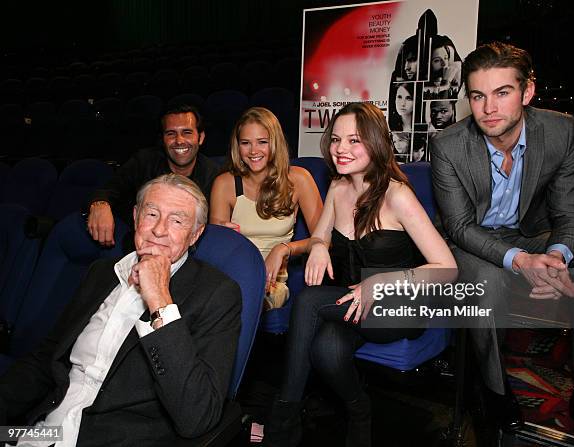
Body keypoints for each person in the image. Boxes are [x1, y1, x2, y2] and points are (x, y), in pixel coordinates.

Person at [430, 42, 574, 442]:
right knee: (488, 283)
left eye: (502, 93)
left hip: (532, 233)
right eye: (478, 96)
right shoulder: (448, 145)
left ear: (527, 92)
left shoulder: (561, 130)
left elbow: (570, 213)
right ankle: (494, 393)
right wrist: (519, 262)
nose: (488, 108)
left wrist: (555, 256)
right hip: (473, 240)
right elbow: (459, 226)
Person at [264, 103, 457, 447]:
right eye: (336, 139)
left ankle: (282, 421)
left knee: (308, 300)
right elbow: (319, 236)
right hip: (353, 306)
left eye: (354, 140)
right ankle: (359, 409)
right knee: (326, 351)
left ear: (376, 142)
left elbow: (447, 268)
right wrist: (320, 245)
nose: (341, 149)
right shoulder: (338, 189)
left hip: (397, 308)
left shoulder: (398, 195)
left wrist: (378, 282)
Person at [0, 174, 242, 446]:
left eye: (177, 220)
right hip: (43, 431)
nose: (159, 230)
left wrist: (160, 301)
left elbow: (197, 416)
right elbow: (47, 359)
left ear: (195, 234)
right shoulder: (101, 273)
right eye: (152, 214)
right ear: (137, 217)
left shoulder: (217, 294)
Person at [209, 107, 323, 310]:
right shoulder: (224, 183)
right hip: (231, 277)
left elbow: (323, 240)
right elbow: (215, 250)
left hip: (272, 284)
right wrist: (221, 236)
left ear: (275, 143)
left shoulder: (299, 179)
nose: (253, 151)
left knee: (246, 303)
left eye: (262, 142)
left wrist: (283, 249)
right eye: (246, 143)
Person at [87, 104, 219, 247]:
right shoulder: (144, 162)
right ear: (163, 139)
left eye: (187, 132)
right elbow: (109, 190)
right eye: (171, 134)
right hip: (143, 245)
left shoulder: (214, 175)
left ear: (200, 137)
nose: (179, 140)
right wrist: (100, 204)